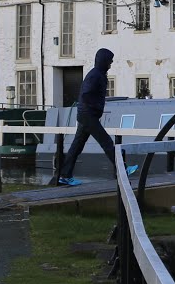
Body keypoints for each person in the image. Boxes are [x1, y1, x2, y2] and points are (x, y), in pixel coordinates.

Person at [52, 47, 126, 186]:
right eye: (109, 61)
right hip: (88, 115)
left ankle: (65, 176)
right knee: (106, 142)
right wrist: (95, 107)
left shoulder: (98, 74)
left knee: (77, 146)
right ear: (104, 60)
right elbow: (86, 94)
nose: (111, 63)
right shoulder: (95, 75)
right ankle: (123, 170)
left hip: (87, 114)